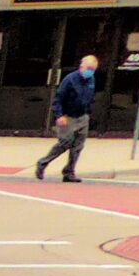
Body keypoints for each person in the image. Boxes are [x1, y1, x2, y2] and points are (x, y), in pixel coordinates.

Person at [36, 53, 101, 182]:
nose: (90, 72)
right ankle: (43, 163)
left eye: (93, 69)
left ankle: (69, 172)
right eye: (88, 68)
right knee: (65, 142)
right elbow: (58, 99)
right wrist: (59, 115)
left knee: (78, 146)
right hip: (68, 116)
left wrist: (87, 113)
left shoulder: (91, 80)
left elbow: (89, 98)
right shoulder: (70, 79)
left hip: (82, 116)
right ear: (81, 66)